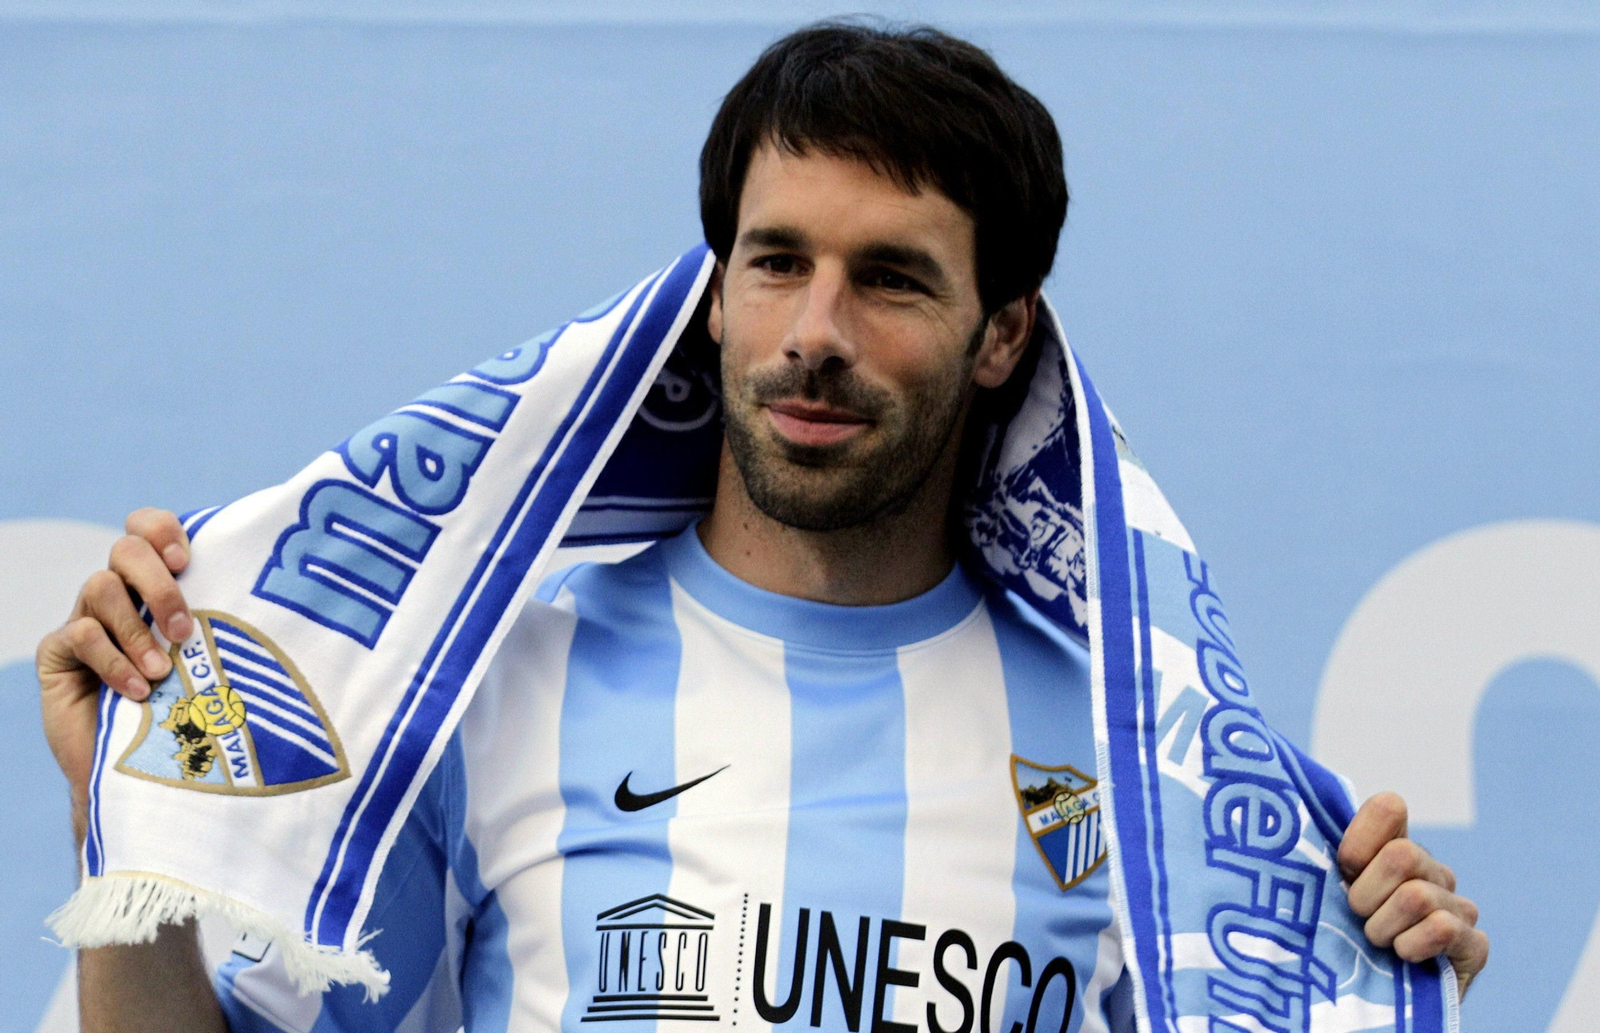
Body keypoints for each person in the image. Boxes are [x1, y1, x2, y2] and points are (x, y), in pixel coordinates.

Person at [35, 22, 1488, 1033]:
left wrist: (1378, 975)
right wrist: (124, 802)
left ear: (1003, 333)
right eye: (777, 261)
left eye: (892, 279)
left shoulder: (1135, 752)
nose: (816, 333)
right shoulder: (491, 691)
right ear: (714, 293)